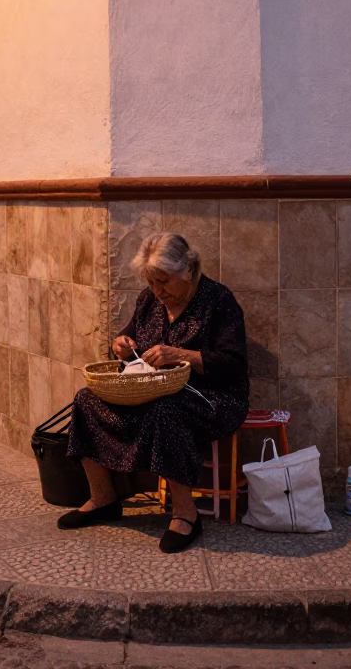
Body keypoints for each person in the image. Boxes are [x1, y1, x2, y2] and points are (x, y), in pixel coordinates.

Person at [63, 232, 250, 554]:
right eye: (152, 282)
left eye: (163, 282)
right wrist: (121, 345)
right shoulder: (149, 300)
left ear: (188, 270)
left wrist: (182, 355)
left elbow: (233, 365)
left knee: (167, 410)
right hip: (152, 390)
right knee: (85, 399)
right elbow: (130, 335)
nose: (158, 291)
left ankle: (185, 514)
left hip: (211, 396)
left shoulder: (218, 300)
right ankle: (104, 498)